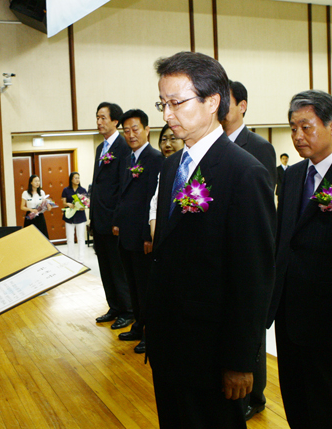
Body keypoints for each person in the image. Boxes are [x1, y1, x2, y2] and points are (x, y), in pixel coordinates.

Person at [145, 51, 275, 428]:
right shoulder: (172, 165)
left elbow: (253, 276)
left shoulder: (244, 172)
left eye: (176, 103)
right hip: (170, 344)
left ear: (212, 101)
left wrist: (240, 361)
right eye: (162, 103)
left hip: (212, 352)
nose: (167, 115)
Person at [267, 89, 332, 428]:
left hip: (326, 312)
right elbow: (283, 239)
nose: (297, 136)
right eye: (293, 128)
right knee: (295, 394)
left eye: (306, 127)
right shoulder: (292, 175)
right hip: (289, 311)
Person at [221, 79, 277, 421]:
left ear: (242, 105)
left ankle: (255, 395)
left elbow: (260, 205)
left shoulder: (257, 146)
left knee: (249, 329)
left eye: (226, 100)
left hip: (246, 243)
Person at [112, 109, 163, 355]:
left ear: (146, 130)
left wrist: (147, 236)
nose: (131, 135)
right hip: (126, 235)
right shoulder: (127, 160)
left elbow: (152, 201)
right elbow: (123, 195)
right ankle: (138, 326)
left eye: (135, 129)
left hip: (142, 238)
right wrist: (117, 222)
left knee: (146, 290)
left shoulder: (155, 159)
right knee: (132, 286)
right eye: (126, 131)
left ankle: (151, 335)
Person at [90, 102, 133, 330]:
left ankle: (128, 309)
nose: (99, 122)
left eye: (103, 118)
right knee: (105, 266)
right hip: (98, 219)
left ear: (116, 121)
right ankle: (114, 306)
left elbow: (122, 187)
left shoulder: (123, 146)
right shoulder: (100, 148)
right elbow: (97, 185)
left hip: (113, 221)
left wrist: (117, 219)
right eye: (97, 118)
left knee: (118, 268)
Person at [222, 80, 277, 191]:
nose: (220, 108)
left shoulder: (261, 148)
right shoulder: (212, 145)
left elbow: (264, 197)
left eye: (225, 102)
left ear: (242, 106)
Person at [149, 124, 184, 241]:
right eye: (164, 140)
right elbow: (155, 203)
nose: (167, 144)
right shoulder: (164, 169)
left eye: (173, 139)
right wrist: (154, 234)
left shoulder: (187, 169)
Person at [61, 172, 87, 262]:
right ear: (71, 179)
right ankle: (71, 258)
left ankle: (81, 259)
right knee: (70, 238)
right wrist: (68, 204)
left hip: (80, 216)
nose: (77, 180)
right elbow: (63, 202)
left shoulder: (83, 190)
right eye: (75, 178)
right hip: (69, 216)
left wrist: (83, 207)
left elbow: (86, 203)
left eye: (78, 178)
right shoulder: (66, 190)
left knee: (80, 237)